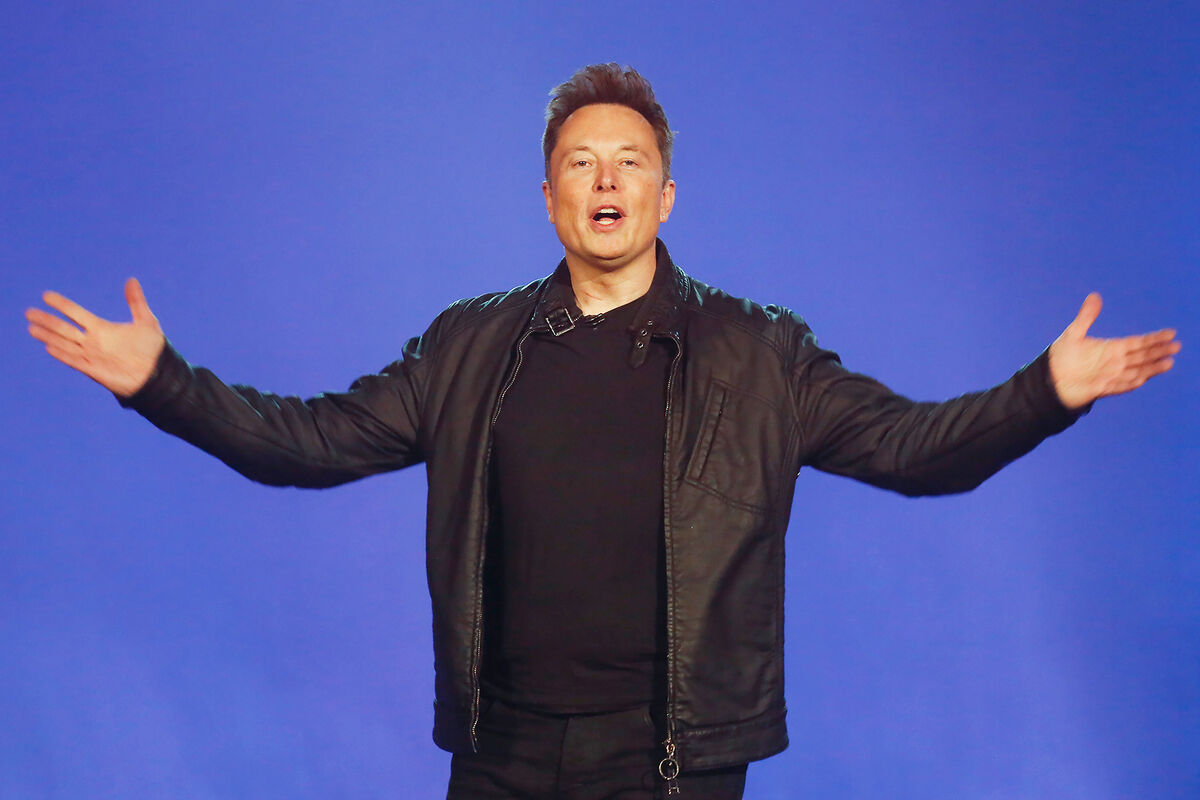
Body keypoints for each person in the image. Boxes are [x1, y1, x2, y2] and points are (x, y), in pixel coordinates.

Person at [26, 64, 1179, 800]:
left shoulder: (760, 353)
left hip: (670, 756)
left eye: (631, 161)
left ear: (666, 195)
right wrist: (162, 381)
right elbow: (309, 442)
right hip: (500, 750)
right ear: (550, 198)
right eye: (580, 163)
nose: (605, 179)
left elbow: (914, 451)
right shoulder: (469, 344)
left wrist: (1046, 390)